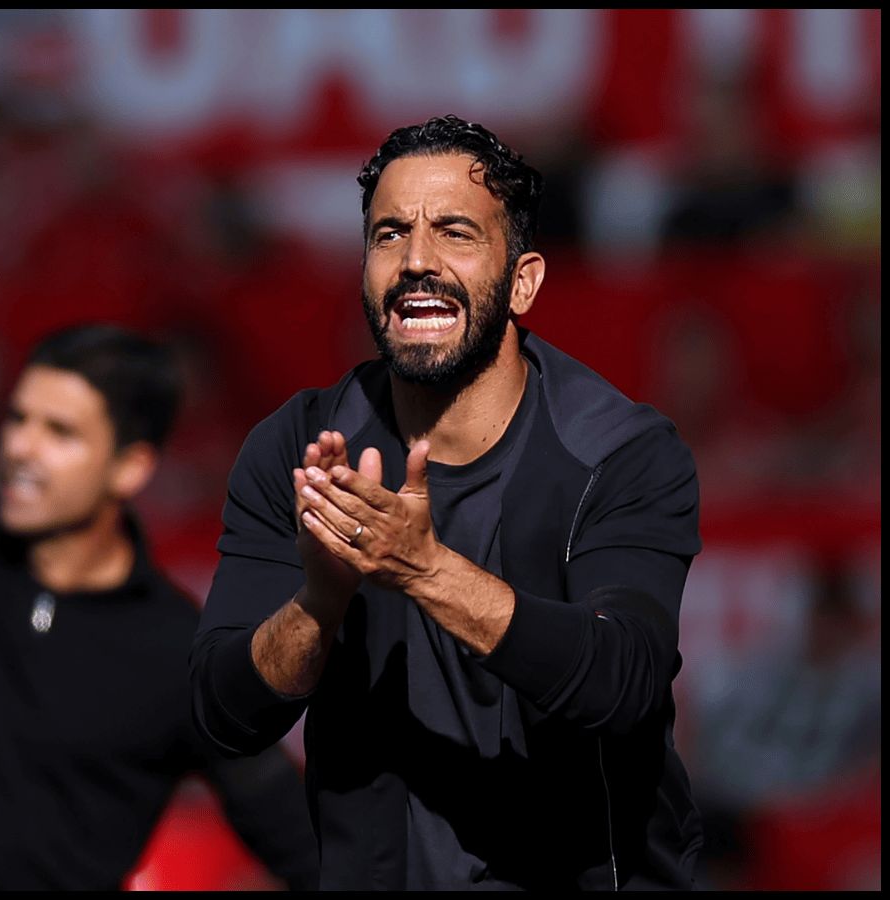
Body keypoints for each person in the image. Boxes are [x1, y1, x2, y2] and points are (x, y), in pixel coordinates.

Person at [191, 115, 704, 890]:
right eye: (388, 235)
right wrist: (319, 602)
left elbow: (621, 682)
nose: (416, 262)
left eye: (455, 233)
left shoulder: (618, 452)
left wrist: (424, 570)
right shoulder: (297, 446)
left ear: (523, 279)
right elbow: (223, 716)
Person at [0, 325, 318, 891]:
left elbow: (309, 848)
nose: (21, 449)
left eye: (60, 432)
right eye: (19, 420)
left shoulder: (179, 655)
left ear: (130, 467)